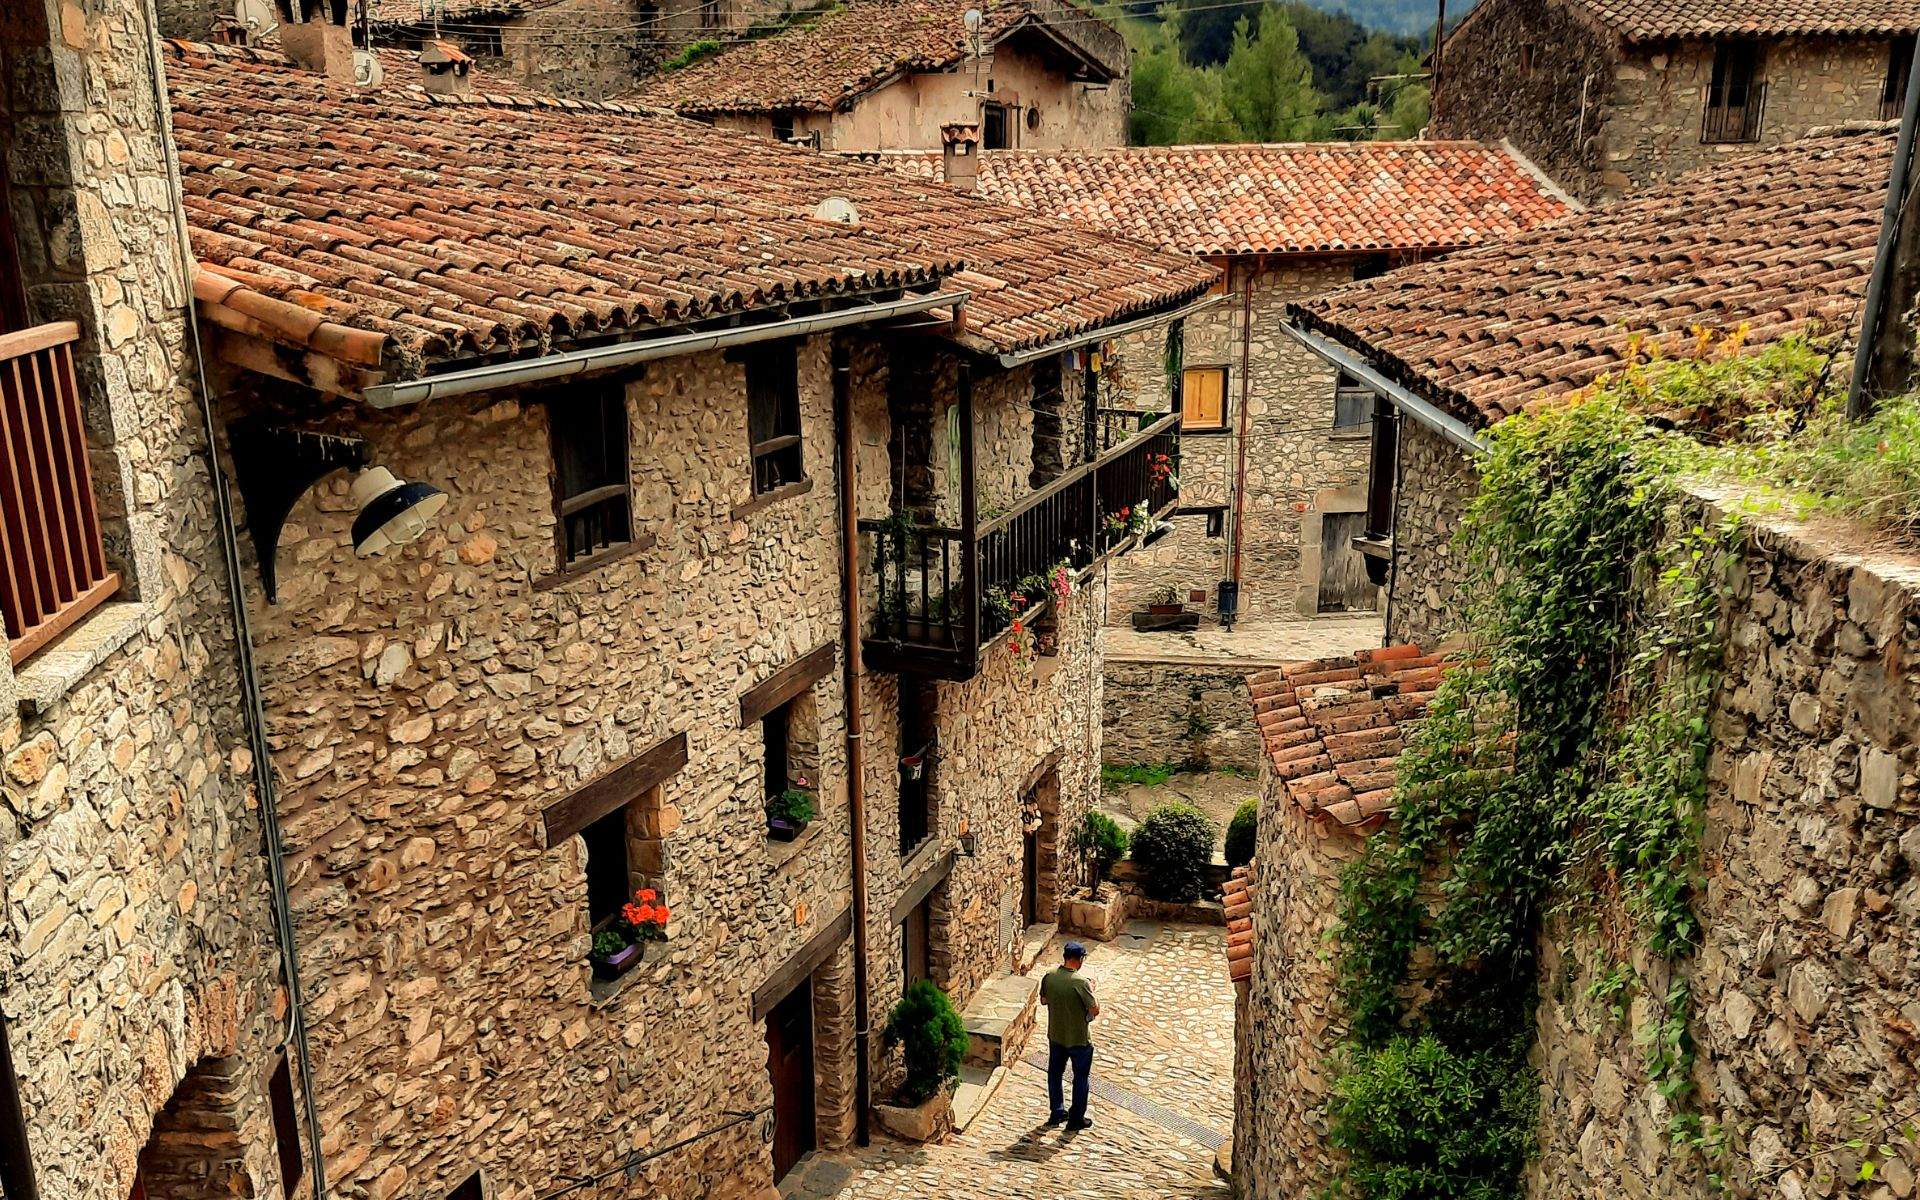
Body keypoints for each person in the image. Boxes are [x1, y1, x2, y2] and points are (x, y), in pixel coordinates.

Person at [1039, 941, 1099, 1130]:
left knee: (1055, 1074)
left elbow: (1043, 1000)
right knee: (1080, 1078)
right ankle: (1076, 1119)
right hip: (1079, 1039)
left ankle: (1057, 1111)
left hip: (1056, 1035)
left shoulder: (1049, 976)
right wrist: (1092, 990)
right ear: (1079, 959)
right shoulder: (1081, 983)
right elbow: (1094, 1010)